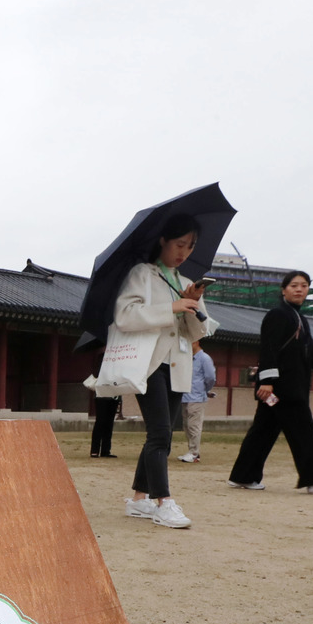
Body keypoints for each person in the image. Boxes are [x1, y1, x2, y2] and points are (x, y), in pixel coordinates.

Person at [114, 214, 215, 529]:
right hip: (150, 362)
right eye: (179, 243)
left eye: (190, 246)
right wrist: (171, 307)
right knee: (160, 434)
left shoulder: (187, 283)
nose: (184, 251)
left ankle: (138, 499)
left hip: (179, 364)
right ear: (163, 241)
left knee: (162, 434)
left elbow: (198, 333)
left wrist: (194, 305)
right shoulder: (143, 274)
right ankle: (164, 502)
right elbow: (125, 315)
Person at [228, 271, 313, 492]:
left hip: (278, 392)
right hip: (283, 390)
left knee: (264, 430)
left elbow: (312, 352)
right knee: (303, 430)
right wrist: (267, 382)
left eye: (304, 286)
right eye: (294, 285)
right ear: (283, 290)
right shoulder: (278, 314)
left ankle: (243, 476)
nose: (299, 289)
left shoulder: (299, 318)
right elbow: (268, 349)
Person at [178, 340, 217, 463]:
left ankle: (194, 453)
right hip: (185, 396)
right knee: (187, 425)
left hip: (197, 397)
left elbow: (210, 377)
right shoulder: (188, 358)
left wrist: (204, 390)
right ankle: (191, 451)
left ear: (196, 342)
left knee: (194, 425)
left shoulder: (204, 358)